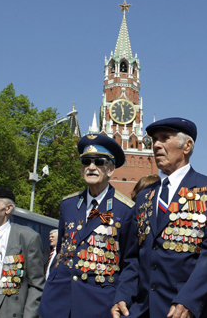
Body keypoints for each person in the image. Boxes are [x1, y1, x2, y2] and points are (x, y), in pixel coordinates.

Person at [111, 117, 207, 318]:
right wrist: (123, 295)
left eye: (164, 138)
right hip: (144, 310)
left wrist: (188, 300)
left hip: (189, 310)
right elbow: (134, 256)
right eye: (154, 140)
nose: (156, 145)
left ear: (187, 145)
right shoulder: (145, 196)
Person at [38, 133, 136, 318]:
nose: (91, 167)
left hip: (99, 305)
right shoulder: (67, 204)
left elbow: (130, 263)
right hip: (57, 304)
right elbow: (61, 251)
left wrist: (123, 297)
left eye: (98, 162)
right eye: (86, 162)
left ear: (110, 169)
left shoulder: (126, 210)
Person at [0, 187, 45, 318]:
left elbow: (36, 284)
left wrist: (29, 315)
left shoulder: (27, 237)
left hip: (7, 301)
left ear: (8, 208)